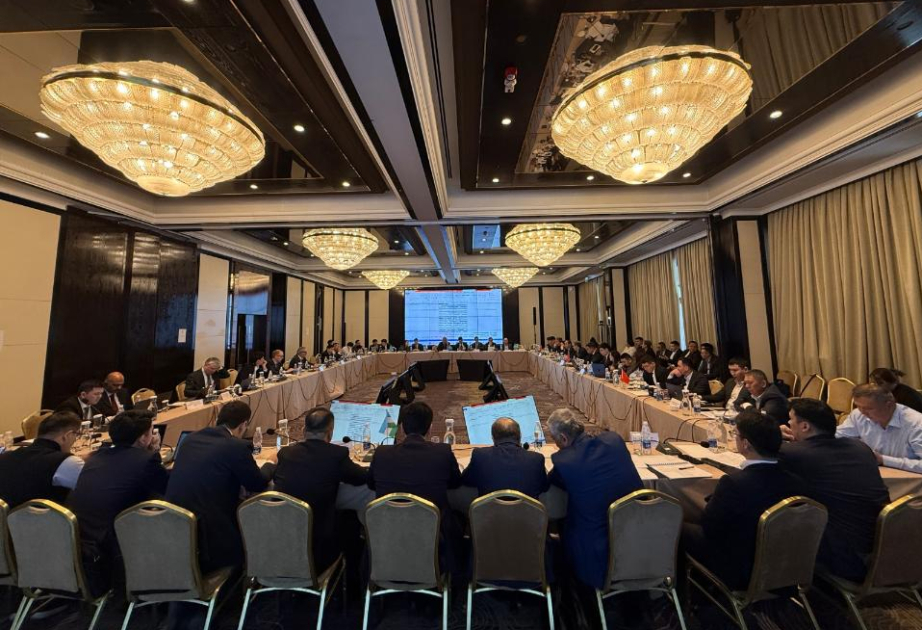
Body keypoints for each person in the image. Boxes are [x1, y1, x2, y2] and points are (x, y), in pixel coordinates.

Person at [683, 411, 801, 590]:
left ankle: (684, 592)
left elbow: (709, 526)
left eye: (735, 434)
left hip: (741, 569)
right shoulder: (797, 481)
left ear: (745, 444)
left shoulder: (734, 483)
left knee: (678, 527)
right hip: (784, 566)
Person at [779, 399, 888, 582]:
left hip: (846, 557)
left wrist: (774, 436)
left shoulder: (794, 453)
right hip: (887, 548)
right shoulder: (860, 448)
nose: (788, 423)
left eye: (791, 419)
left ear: (805, 426)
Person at [68, 410, 168, 594]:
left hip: (82, 536)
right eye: (151, 432)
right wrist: (153, 453)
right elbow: (167, 489)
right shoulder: (146, 459)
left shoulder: (95, 457)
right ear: (142, 438)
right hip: (117, 543)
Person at [165, 401, 272, 573]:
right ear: (243, 425)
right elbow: (257, 483)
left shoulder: (190, 440)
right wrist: (270, 463)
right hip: (210, 536)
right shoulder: (235, 446)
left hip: (173, 528)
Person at [547, 410, 642, 589]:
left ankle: (570, 594)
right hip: (639, 540)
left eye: (554, 440)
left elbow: (549, 482)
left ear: (563, 438)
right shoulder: (614, 440)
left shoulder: (565, 461)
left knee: (558, 523)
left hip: (597, 555)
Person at [272, 407, 368, 572]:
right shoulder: (337, 454)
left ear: (304, 431)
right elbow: (361, 478)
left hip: (283, 540)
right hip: (320, 543)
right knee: (350, 522)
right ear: (330, 433)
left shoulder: (286, 453)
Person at [0, 412, 84, 507]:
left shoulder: (6, 456)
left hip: (7, 514)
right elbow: (91, 491)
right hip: (43, 515)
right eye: (76, 435)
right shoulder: (66, 462)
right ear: (67, 436)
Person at [837, 384, 922, 472]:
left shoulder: (916, 424)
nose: (862, 412)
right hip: (873, 474)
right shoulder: (858, 415)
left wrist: (883, 460)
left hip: (910, 478)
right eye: (858, 407)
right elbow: (836, 436)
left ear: (889, 405)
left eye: (868, 408)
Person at [461, 418, 549, 498]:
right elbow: (544, 487)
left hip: (489, 510)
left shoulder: (480, 455)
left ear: (493, 438)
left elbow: (465, 481)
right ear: (520, 436)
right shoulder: (536, 459)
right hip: (528, 510)